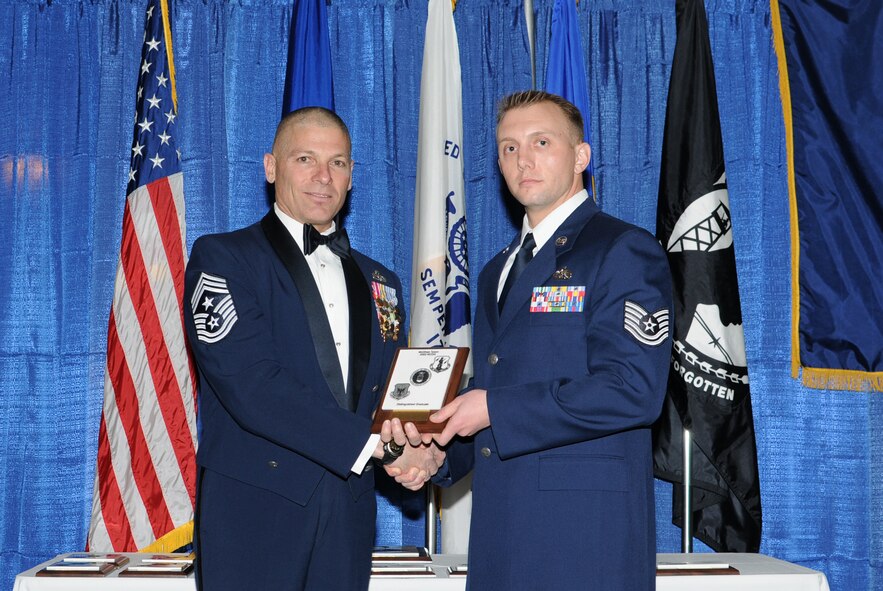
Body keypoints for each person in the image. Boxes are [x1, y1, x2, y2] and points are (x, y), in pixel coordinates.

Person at [183, 107, 444, 591]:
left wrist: (426, 448)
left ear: (351, 176)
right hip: (256, 514)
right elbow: (254, 388)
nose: (323, 177)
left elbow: (394, 394)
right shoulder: (223, 259)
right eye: (305, 158)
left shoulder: (380, 279)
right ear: (270, 166)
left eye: (338, 162)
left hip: (349, 513)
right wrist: (381, 449)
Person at [426, 90, 673, 590]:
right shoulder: (498, 268)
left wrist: (493, 408)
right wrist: (439, 453)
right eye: (508, 147)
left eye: (541, 141)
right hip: (500, 534)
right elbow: (502, 383)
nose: (523, 159)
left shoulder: (622, 249)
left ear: (581, 156)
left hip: (584, 540)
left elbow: (631, 391)